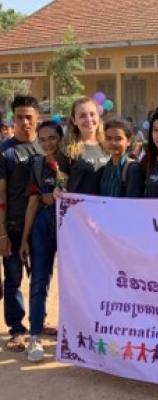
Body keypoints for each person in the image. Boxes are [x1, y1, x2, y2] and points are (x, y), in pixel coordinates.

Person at [19, 121, 68, 361]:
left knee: (73, 283)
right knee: (39, 280)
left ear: (61, 137)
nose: (48, 143)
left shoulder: (73, 161)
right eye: (43, 139)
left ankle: (75, 334)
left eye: (52, 138)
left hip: (70, 228)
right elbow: (33, 202)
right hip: (42, 228)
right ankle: (35, 337)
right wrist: (25, 239)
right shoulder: (37, 164)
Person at [0, 96, 43, 351]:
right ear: (12, 119)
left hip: (42, 227)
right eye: (19, 117)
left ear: (37, 118)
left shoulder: (45, 148)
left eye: (29, 117)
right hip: (13, 226)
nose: (25, 122)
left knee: (41, 278)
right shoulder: (6, 151)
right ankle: (16, 328)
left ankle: (39, 322)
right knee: (13, 277)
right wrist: (2, 232)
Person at [63, 97, 109, 194]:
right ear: (74, 120)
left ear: (99, 117)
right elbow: (61, 184)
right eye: (82, 116)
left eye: (92, 114)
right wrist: (58, 189)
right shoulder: (67, 149)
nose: (89, 119)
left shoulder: (108, 146)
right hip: (80, 208)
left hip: (107, 207)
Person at [97, 118, 145, 197]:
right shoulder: (105, 169)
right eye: (108, 138)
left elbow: (132, 203)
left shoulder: (133, 169)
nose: (113, 143)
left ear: (128, 141)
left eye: (118, 139)